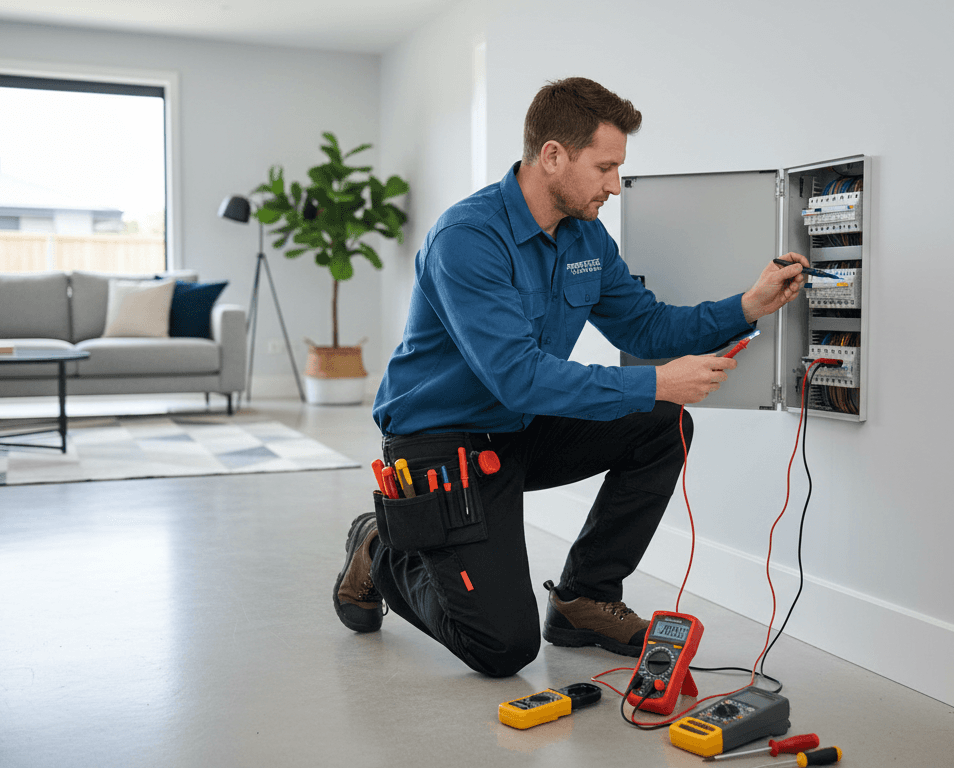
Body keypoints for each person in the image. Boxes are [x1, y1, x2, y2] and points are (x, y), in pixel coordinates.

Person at [332, 77, 809, 678]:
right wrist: (656, 382)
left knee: (663, 425)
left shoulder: (585, 236)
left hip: (520, 429)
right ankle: (381, 544)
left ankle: (584, 598)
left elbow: (645, 328)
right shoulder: (468, 239)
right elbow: (517, 376)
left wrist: (747, 305)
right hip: (441, 442)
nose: (614, 184)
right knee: (502, 649)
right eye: (605, 167)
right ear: (553, 155)